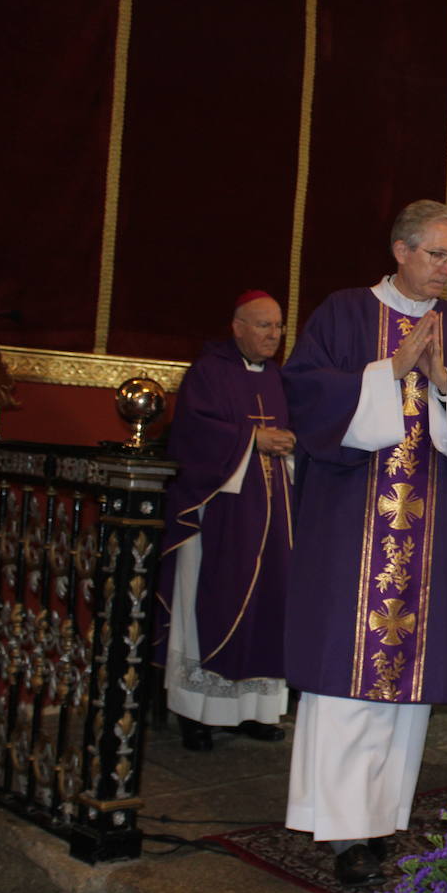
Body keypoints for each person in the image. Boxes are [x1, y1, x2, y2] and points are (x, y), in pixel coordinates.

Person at [280, 200, 447, 885]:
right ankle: (343, 828)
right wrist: (386, 372)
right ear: (401, 251)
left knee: (409, 691)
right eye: (437, 254)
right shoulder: (344, 314)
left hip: (431, 527)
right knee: (347, 682)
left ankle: (382, 817)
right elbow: (308, 395)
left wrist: (445, 384)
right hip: (352, 528)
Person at [154, 290, 294, 752]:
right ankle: (197, 712)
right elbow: (192, 435)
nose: (274, 335)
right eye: (263, 326)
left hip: (274, 517)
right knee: (212, 604)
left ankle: (255, 710)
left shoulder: (278, 377)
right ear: (236, 327)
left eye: (278, 327)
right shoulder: (207, 373)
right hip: (221, 516)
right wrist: (253, 438)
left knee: (268, 606)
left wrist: (291, 441)